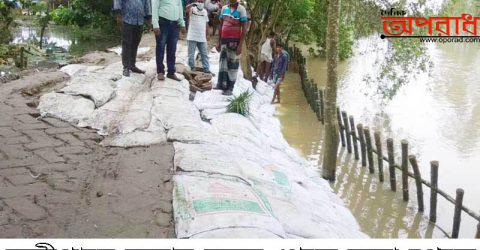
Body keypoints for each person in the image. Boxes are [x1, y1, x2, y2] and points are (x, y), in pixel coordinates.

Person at [216, 0, 248, 96]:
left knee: (232, 65)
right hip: (224, 40)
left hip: (235, 42)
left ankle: (230, 87)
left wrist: (240, 45)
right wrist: (218, 41)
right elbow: (221, 25)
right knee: (223, 63)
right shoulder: (224, 8)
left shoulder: (241, 9)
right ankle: (221, 85)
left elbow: (244, 29)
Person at [113, 0, 152, 77]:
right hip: (127, 19)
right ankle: (126, 67)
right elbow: (117, 2)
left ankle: (132, 65)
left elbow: (147, 4)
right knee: (126, 43)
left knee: (135, 43)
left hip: (139, 21)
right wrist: (118, 15)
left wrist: (149, 19)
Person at [152, 0, 186, 81]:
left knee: (172, 49)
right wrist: (155, 24)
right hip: (163, 23)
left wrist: (182, 23)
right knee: (160, 48)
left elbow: (180, 9)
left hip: (175, 25)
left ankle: (171, 72)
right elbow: (155, 8)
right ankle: (160, 71)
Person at [186, 0, 211, 74]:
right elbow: (186, 10)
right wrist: (192, 4)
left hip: (202, 37)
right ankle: (192, 68)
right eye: (199, 1)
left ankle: (206, 69)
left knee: (204, 54)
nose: (200, 2)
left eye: (202, 1)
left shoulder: (205, 11)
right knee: (191, 54)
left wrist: (208, 34)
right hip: (192, 36)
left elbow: (206, 24)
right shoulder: (192, 9)